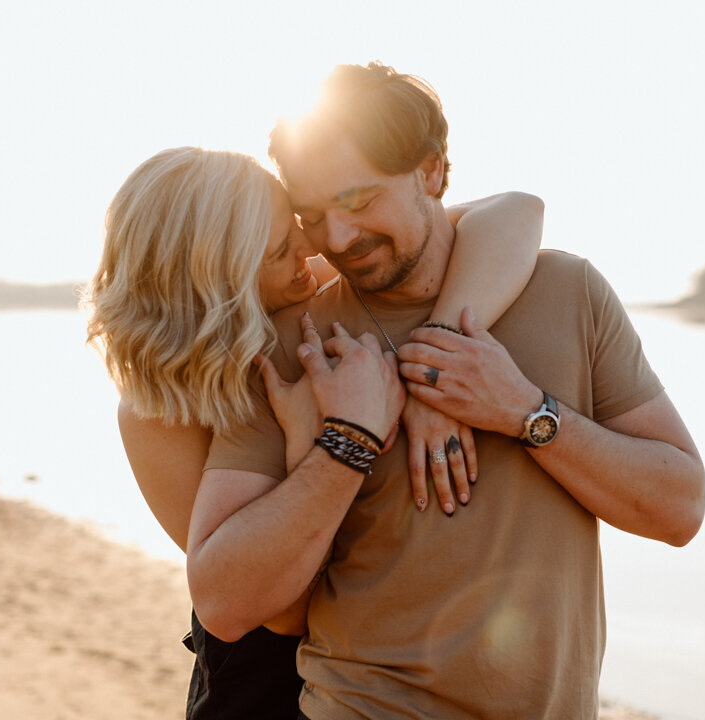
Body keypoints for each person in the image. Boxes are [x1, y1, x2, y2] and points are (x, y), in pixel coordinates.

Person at [189, 62, 705, 719]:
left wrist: (526, 413)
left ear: (432, 172)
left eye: (357, 200)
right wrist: (346, 443)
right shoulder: (294, 345)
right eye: (312, 215)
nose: (337, 240)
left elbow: (680, 509)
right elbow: (225, 602)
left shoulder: (568, 292)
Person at [84, 146, 545, 718]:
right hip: (265, 682)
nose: (312, 247)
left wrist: (438, 360)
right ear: (219, 275)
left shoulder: (305, 284)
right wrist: (317, 442)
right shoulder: (157, 416)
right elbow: (282, 611)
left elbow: (516, 212)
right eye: (281, 248)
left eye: (296, 226)